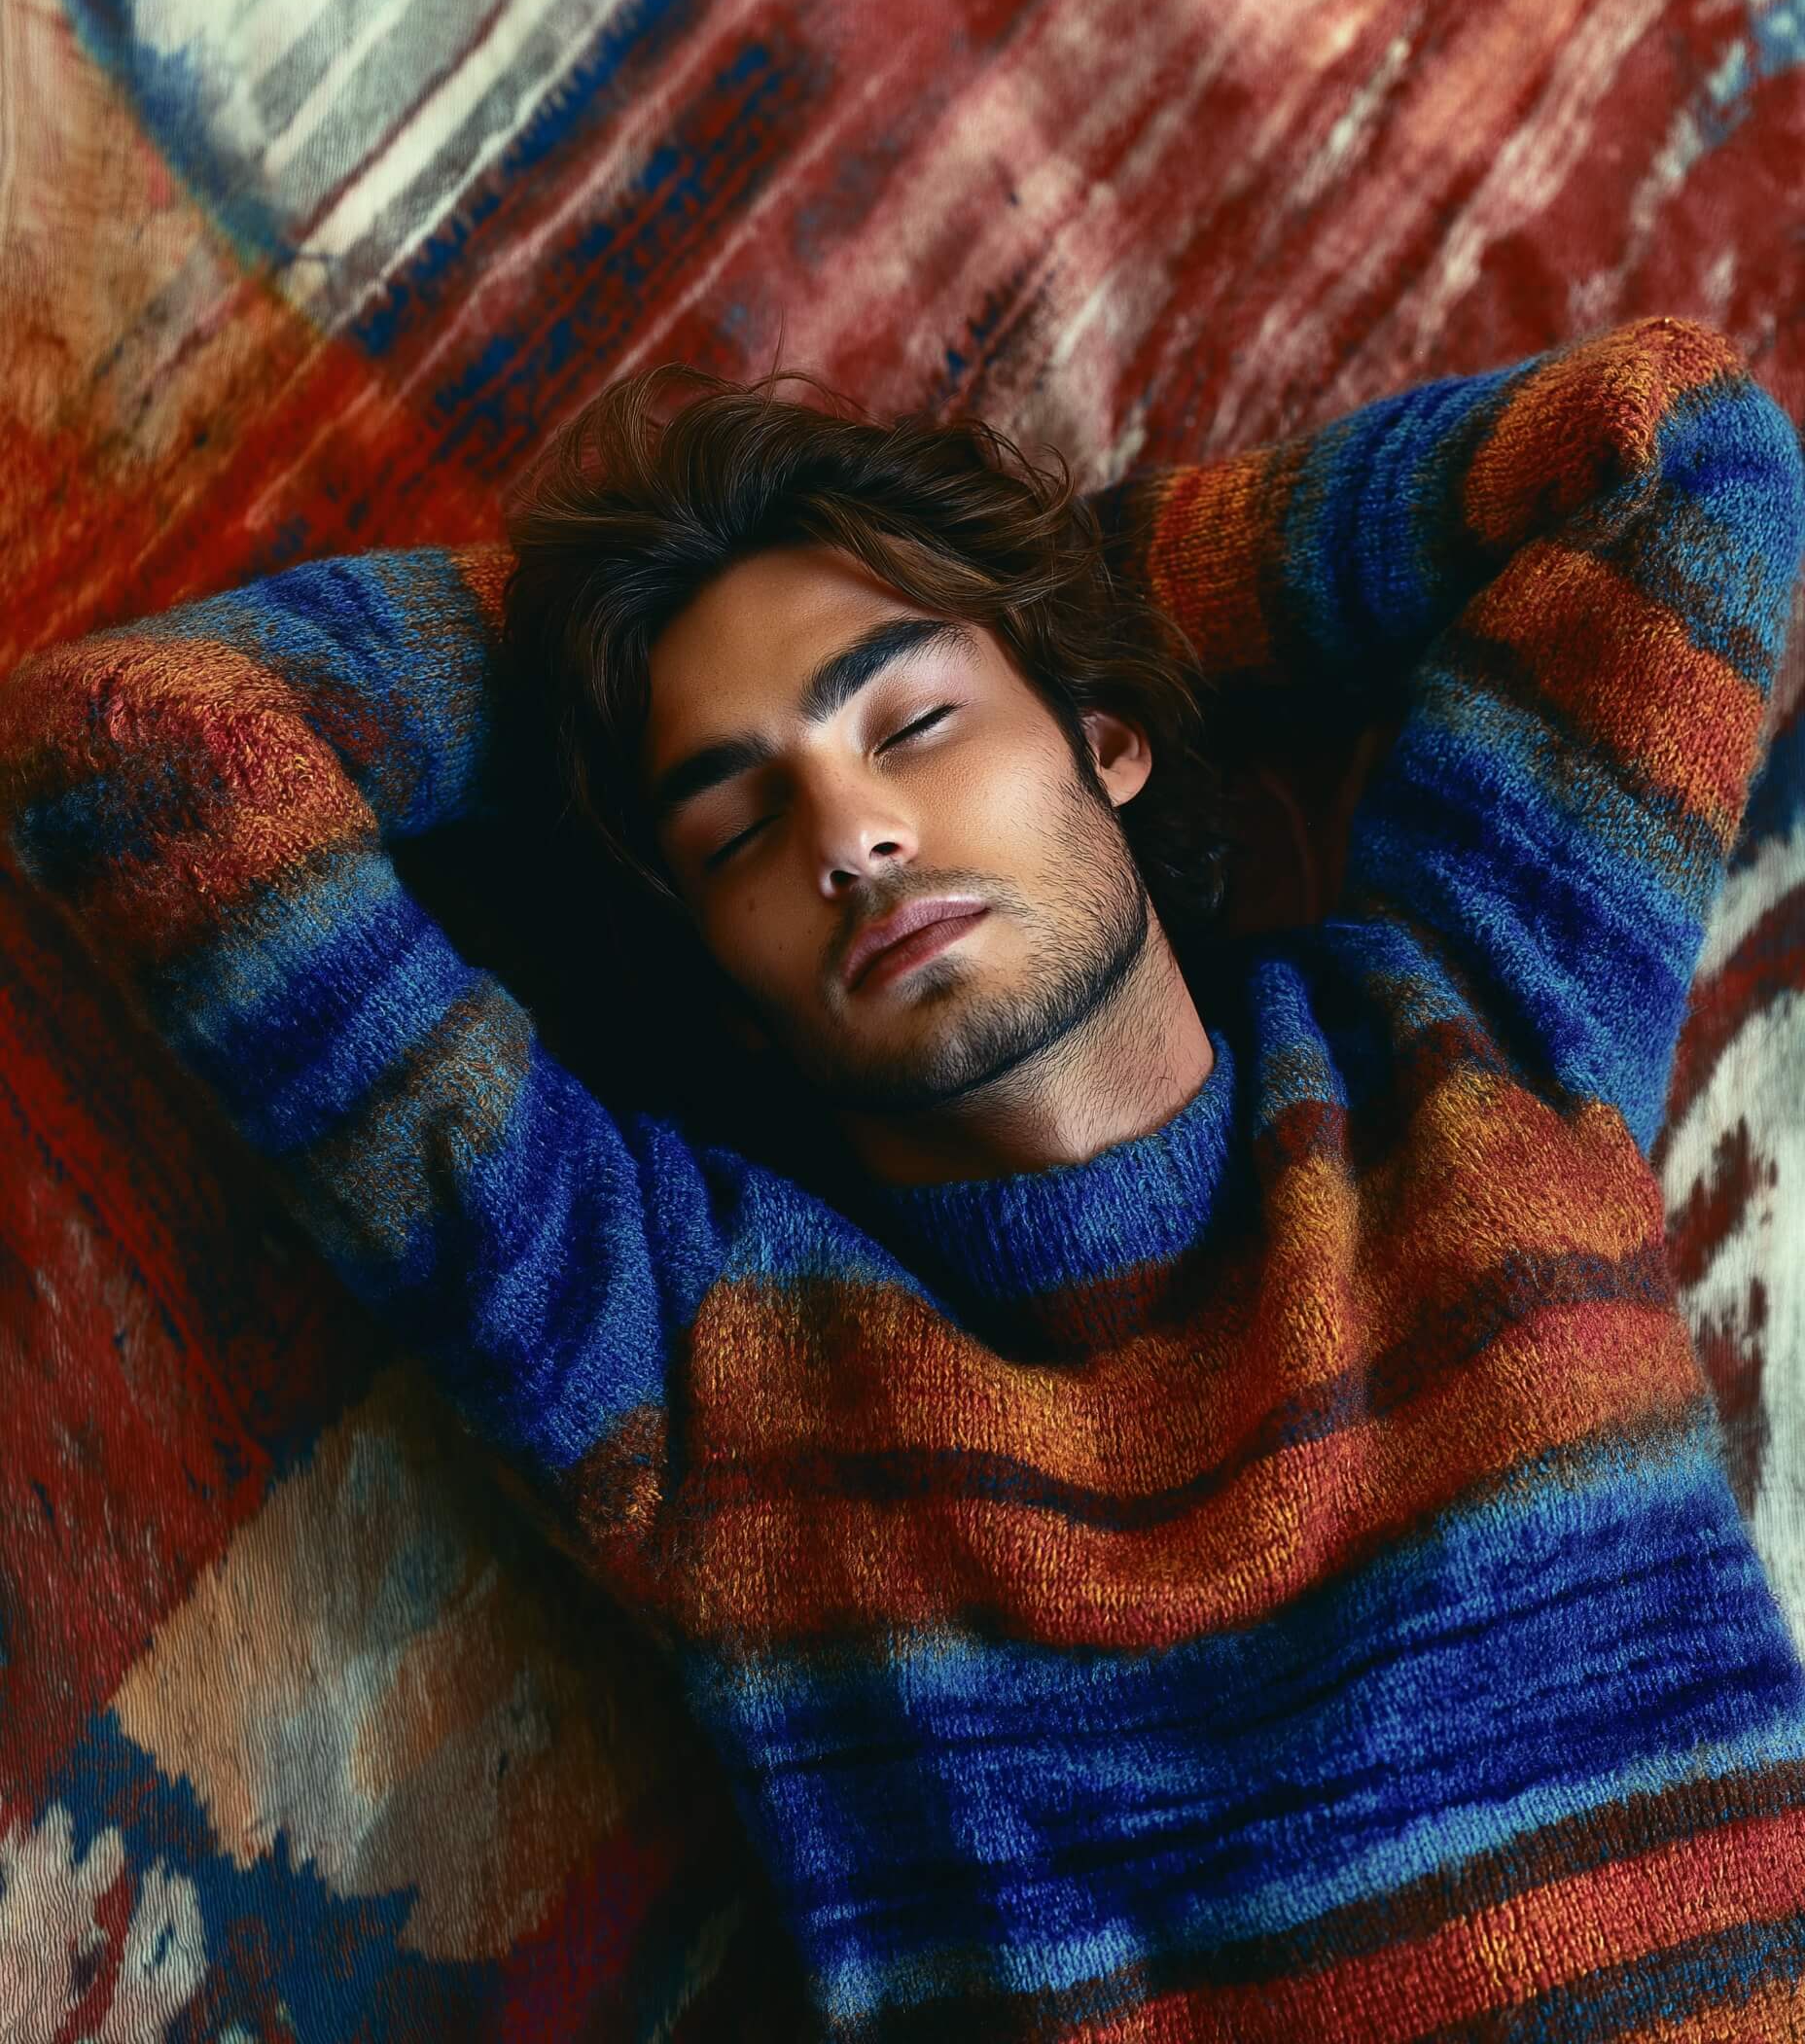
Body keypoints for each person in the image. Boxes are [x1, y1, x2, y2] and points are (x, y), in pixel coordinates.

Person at [5, 313, 1805, 2038]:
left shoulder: (1477, 1033)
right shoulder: (692, 1356)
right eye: (734, 823)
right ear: (715, 962)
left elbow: (1671, 448)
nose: (852, 836)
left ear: (1106, 739)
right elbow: (136, 743)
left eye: (913, 722)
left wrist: (1042, 578)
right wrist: (594, 646)